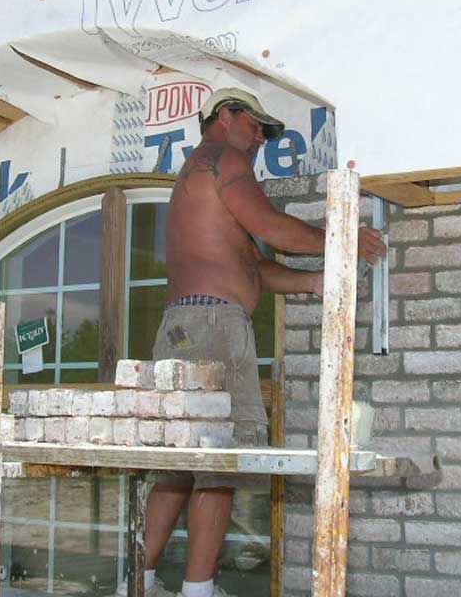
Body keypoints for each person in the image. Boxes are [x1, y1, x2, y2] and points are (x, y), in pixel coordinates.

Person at [113, 88, 385, 597]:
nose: (260, 137)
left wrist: (312, 279)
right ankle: (198, 590)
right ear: (225, 116)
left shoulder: (201, 177)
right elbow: (271, 228)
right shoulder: (223, 157)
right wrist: (343, 236)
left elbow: (252, 265)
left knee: (179, 464)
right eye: (256, 124)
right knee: (220, 462)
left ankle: (139, 585)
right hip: (215, 327)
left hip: (185, 325)